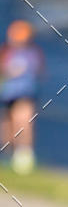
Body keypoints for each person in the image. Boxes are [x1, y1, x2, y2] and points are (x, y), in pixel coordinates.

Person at [0, 20, 44, 174]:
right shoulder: (6, 51)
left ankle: (24, 155)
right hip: (8, 94)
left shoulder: (33, 52)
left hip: (26, 93)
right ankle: (9, 154)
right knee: (8, 126)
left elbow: (40, 71)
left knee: (24, 121)